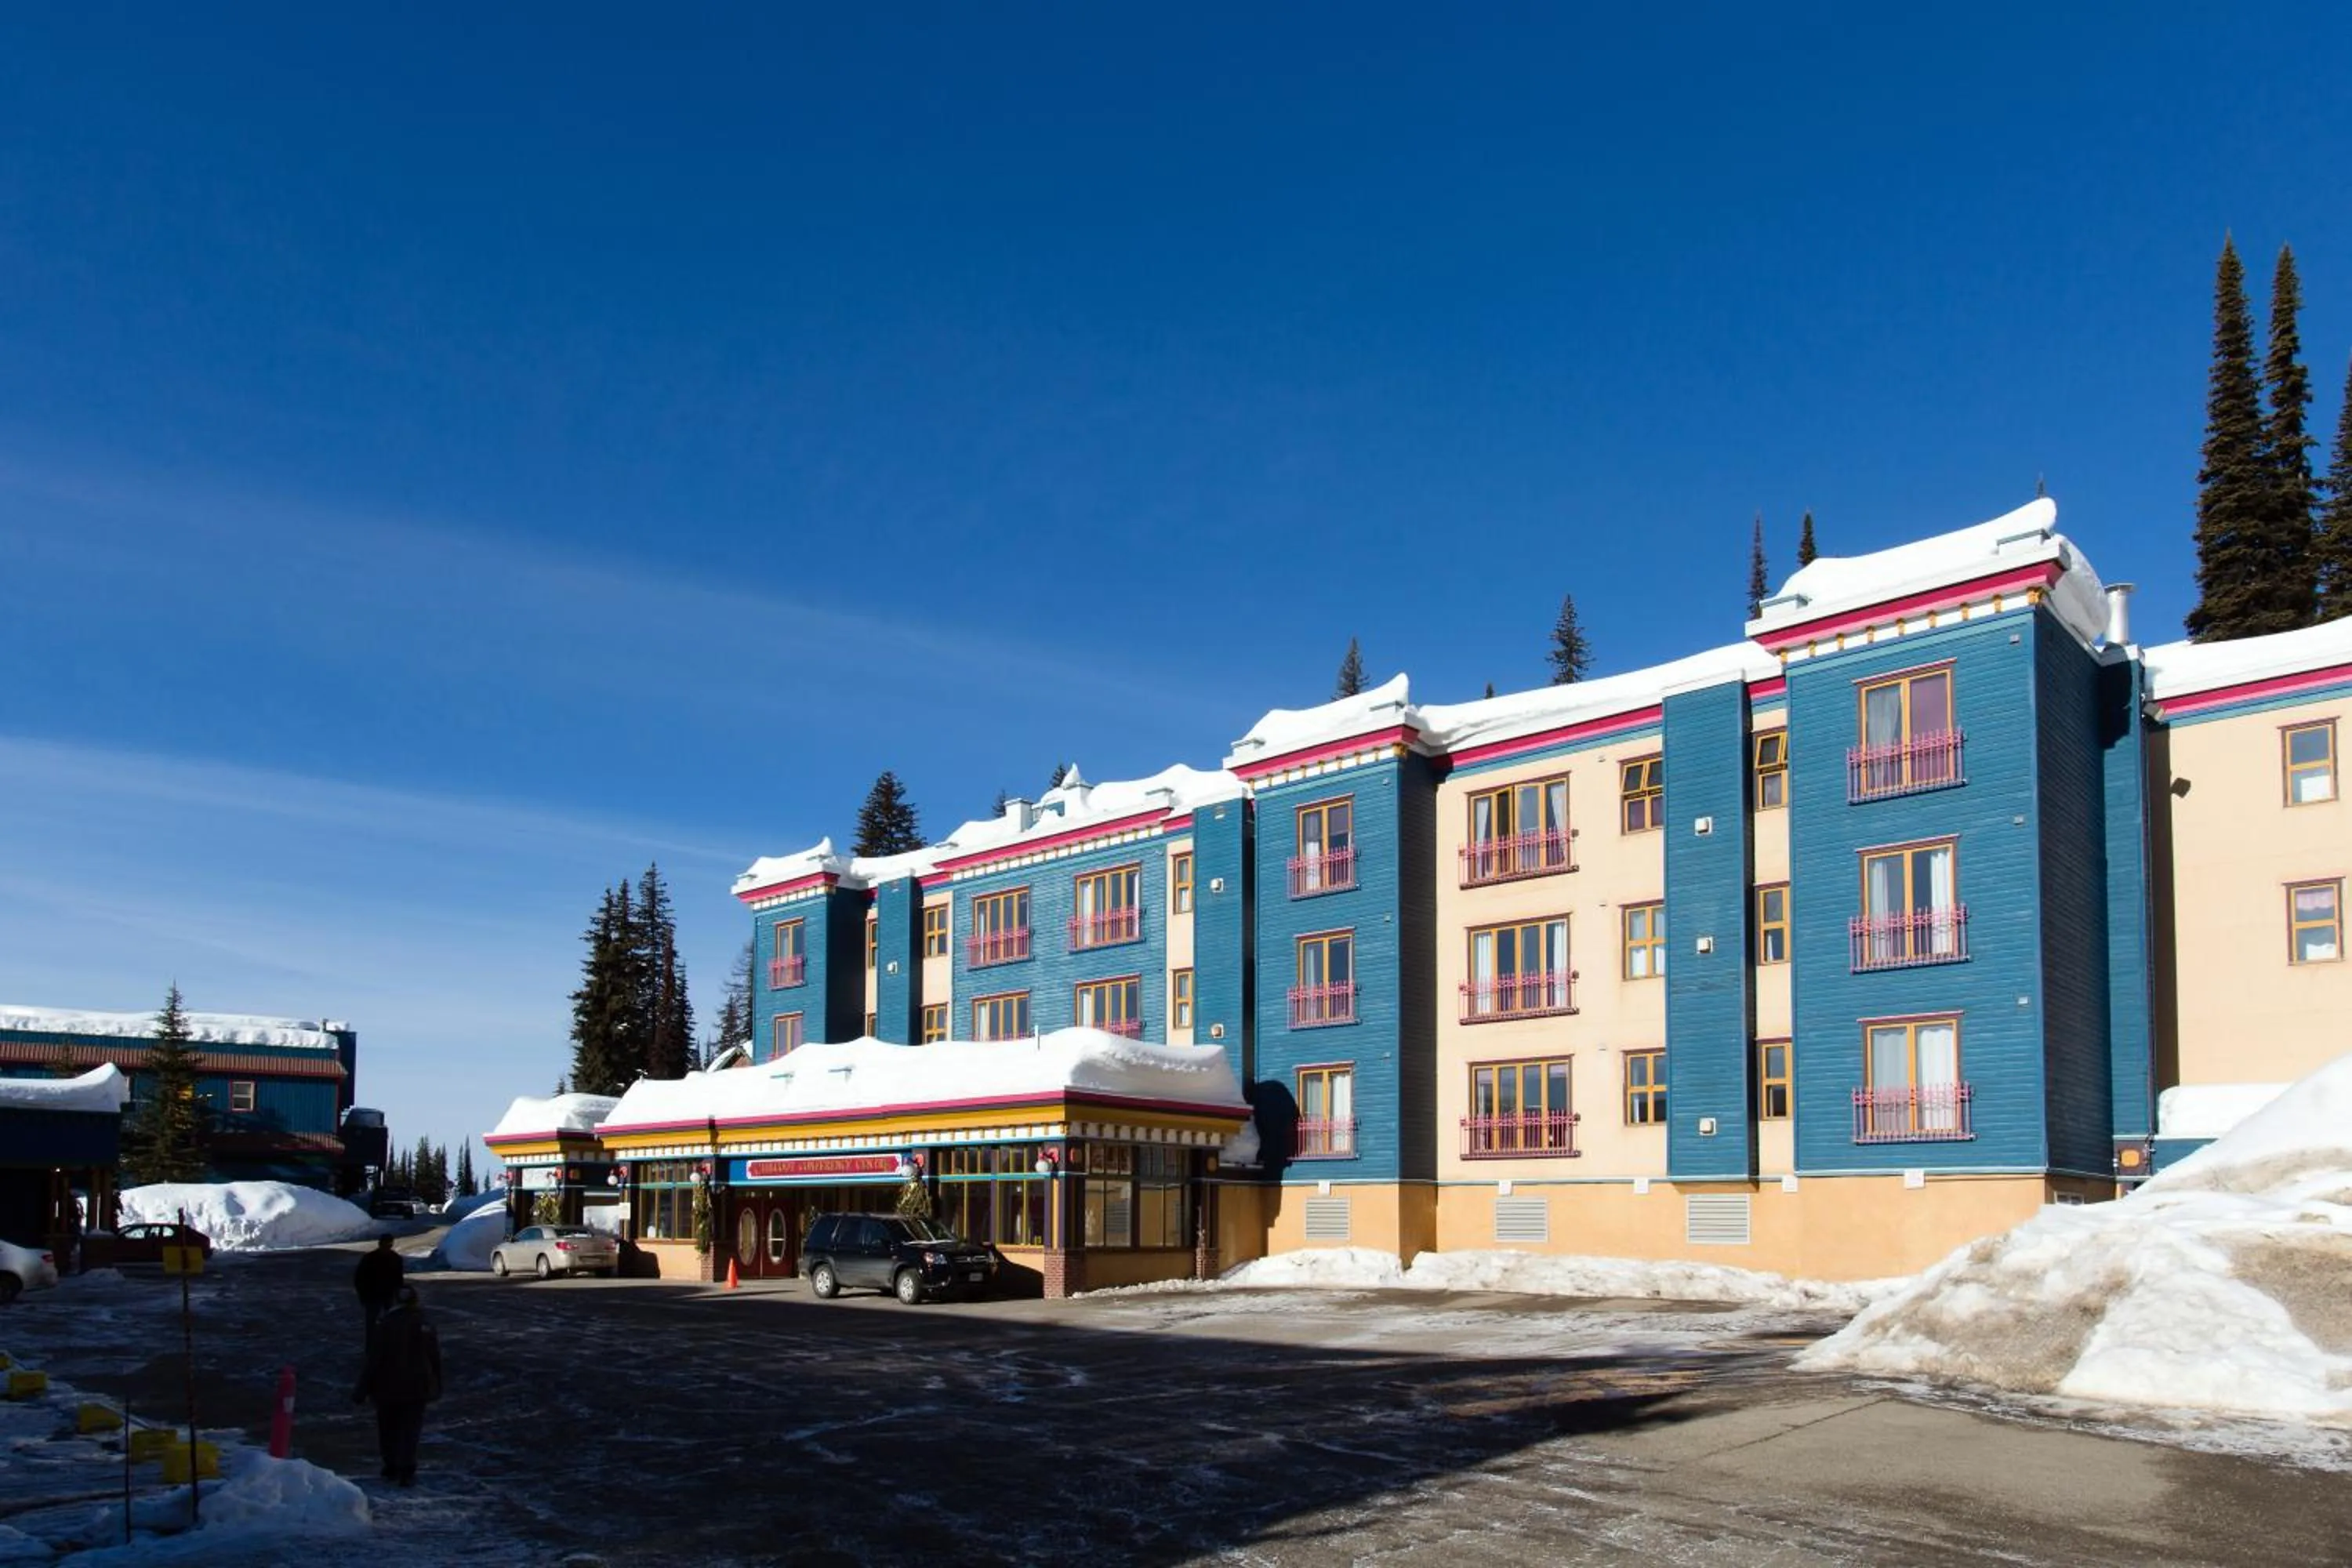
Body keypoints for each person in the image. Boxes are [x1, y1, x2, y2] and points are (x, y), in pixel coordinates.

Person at [352, 1284, 441, 1486]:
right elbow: (434, 1356)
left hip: (386, 1387)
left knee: (388, 1427)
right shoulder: (424, 1323)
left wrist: (362, 1389)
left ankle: (391, 1464)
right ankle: (407, 1467)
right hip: (417, 1386)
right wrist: (437, 1382)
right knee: (411, 1428)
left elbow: (374, 1359)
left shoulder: (385, 1323)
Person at [352, 1236, 403, 1349]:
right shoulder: (393, 1258)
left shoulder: (393, 1258)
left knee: (382, 1324)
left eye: (388, 1245)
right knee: (376, 1324)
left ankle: (380, 1349)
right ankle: (376, 1349)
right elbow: (359, 1279)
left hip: (383, 1295)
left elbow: (399, 1280)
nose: (387, 1247)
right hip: (375, 1296)